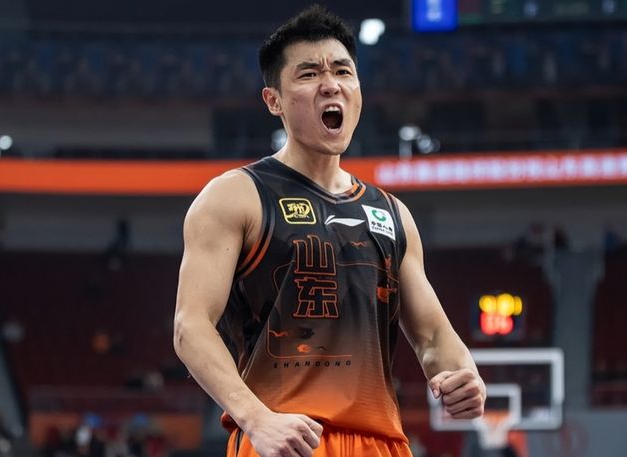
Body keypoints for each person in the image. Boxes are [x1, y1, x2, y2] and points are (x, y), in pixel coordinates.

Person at [173, 5, 486, 457]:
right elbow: (190, 327)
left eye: (343, 71)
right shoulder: (235, 196)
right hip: (283, 437)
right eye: (308, 74)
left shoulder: (392, 213)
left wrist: (464, 376)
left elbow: (434, 337)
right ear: (274, 101)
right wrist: (255, 418)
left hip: (381, 443)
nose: (330, 84)